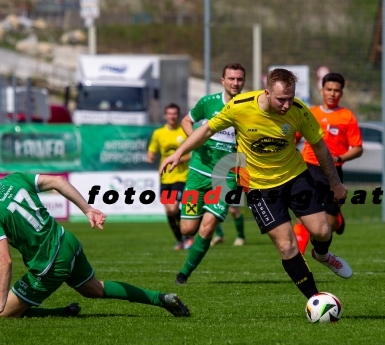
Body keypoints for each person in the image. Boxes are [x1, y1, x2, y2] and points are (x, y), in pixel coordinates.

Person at [161, 68, 352, 301]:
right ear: (267, 92)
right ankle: (315, 298)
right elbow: (207, 129)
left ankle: (322, 255)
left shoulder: (298, 111)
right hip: (258, 187)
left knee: (322, 231)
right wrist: (179, 152)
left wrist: (335, 183)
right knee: (286, 246)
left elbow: (319, 145)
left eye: (291, 98)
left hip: (295, 176)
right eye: (281, 99)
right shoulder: (240, 106)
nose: (286, 104)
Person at [0, 161, 190, 320]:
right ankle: (161, 299)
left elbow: (4, 260)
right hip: (67, 242)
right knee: (93, 289)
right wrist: (88, 209)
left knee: (2, 315)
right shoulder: (13, 179)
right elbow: (56, 181)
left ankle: (58, 312)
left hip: (49, 264)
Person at [174, 63, 247, 285]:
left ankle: (183, 274)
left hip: (226, 174)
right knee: (188, 229)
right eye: (231, 79)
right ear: (222, 80)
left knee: (207, 228)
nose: (236, 83)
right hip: (197, 171)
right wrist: (196, 140)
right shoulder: (208, 103)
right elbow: (186, 120)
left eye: (240, 79)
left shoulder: (249, 107)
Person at [294, 73, 363, 253]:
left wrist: (339, 158)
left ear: (341, 93)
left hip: (332, 172)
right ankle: (297, 259)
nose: (332, 93)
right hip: (307, 167)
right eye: (329, 89)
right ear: (322, 90)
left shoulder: (347, 117)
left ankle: (337, 218)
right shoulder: (310, 113)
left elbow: (357, 148)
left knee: (329, 224)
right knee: (302, 216)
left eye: (336, 91)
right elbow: (295, 137)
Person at [147, 103, 193, 250]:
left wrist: (179, 158)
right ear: (165, 115)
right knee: (168, 210)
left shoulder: (184, 131)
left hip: (181, 177)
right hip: (165, 178)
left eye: (174, 113)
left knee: (173, 208)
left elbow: (193, 153)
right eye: (169, 113)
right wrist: (150, 156)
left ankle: (188, 234)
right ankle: (181, 240)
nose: (172, 116)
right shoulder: (158, 133)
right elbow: (152, 151)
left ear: (178, 115)